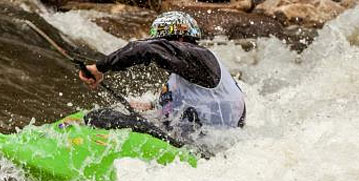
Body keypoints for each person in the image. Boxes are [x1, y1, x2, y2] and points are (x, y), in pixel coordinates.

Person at [79, 11, 246, 141]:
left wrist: (100, 67)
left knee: (102, 117)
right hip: (196, 147)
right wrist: (151, 106)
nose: (163, 51)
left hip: (203, 151)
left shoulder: (199, 57)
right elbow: (189, 104)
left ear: (180, 38)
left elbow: (145, 49)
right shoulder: (189, 72)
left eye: (164, 43)